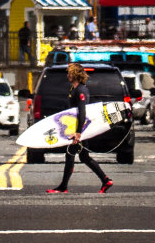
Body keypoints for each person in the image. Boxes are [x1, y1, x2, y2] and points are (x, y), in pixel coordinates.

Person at [47, 63, 112, 194]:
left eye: (70, 73)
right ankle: (105, 180)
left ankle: (63, 187)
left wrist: (78, 133)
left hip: (78, 130)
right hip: (77, 129)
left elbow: (82, 112)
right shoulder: (75, 89)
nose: (68, 75)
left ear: (75, 74)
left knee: (70, 156)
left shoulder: (81, 90)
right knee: (84, 157)